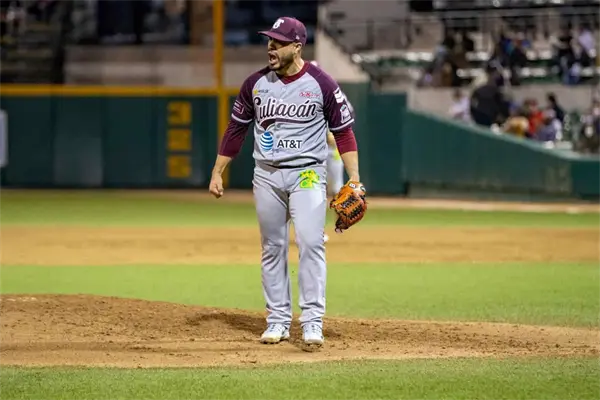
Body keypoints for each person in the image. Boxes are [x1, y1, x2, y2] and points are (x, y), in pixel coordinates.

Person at [208, 17, 361, 348]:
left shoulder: (321, 83)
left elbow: (344, 132)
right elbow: (236, 129)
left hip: (307, 172)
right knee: (272, 247)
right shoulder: (255, 84)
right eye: (269, 40)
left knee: (311, 242)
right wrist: (218, 170)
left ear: (297, 46)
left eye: (278, 42)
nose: (271, 46)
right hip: (266, 175)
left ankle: (312, 322)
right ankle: (277, 319)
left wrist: (355, 179)